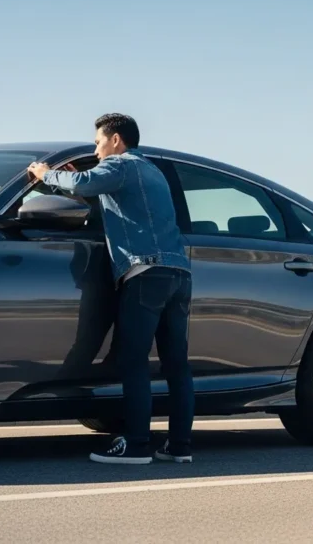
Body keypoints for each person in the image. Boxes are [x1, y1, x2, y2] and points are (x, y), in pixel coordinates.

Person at [27, 113, 195, 464]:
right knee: (176, 364)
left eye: (98, 141)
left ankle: (136, 445)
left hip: (145, 272)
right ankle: (179, 446)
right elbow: (105, 197)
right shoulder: (151, 172)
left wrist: (46, 175)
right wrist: (75, 179)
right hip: (178, 273)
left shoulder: (122, 165)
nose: (97, 149)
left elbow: (84, 183)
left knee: (133, 361)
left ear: (116, 139)